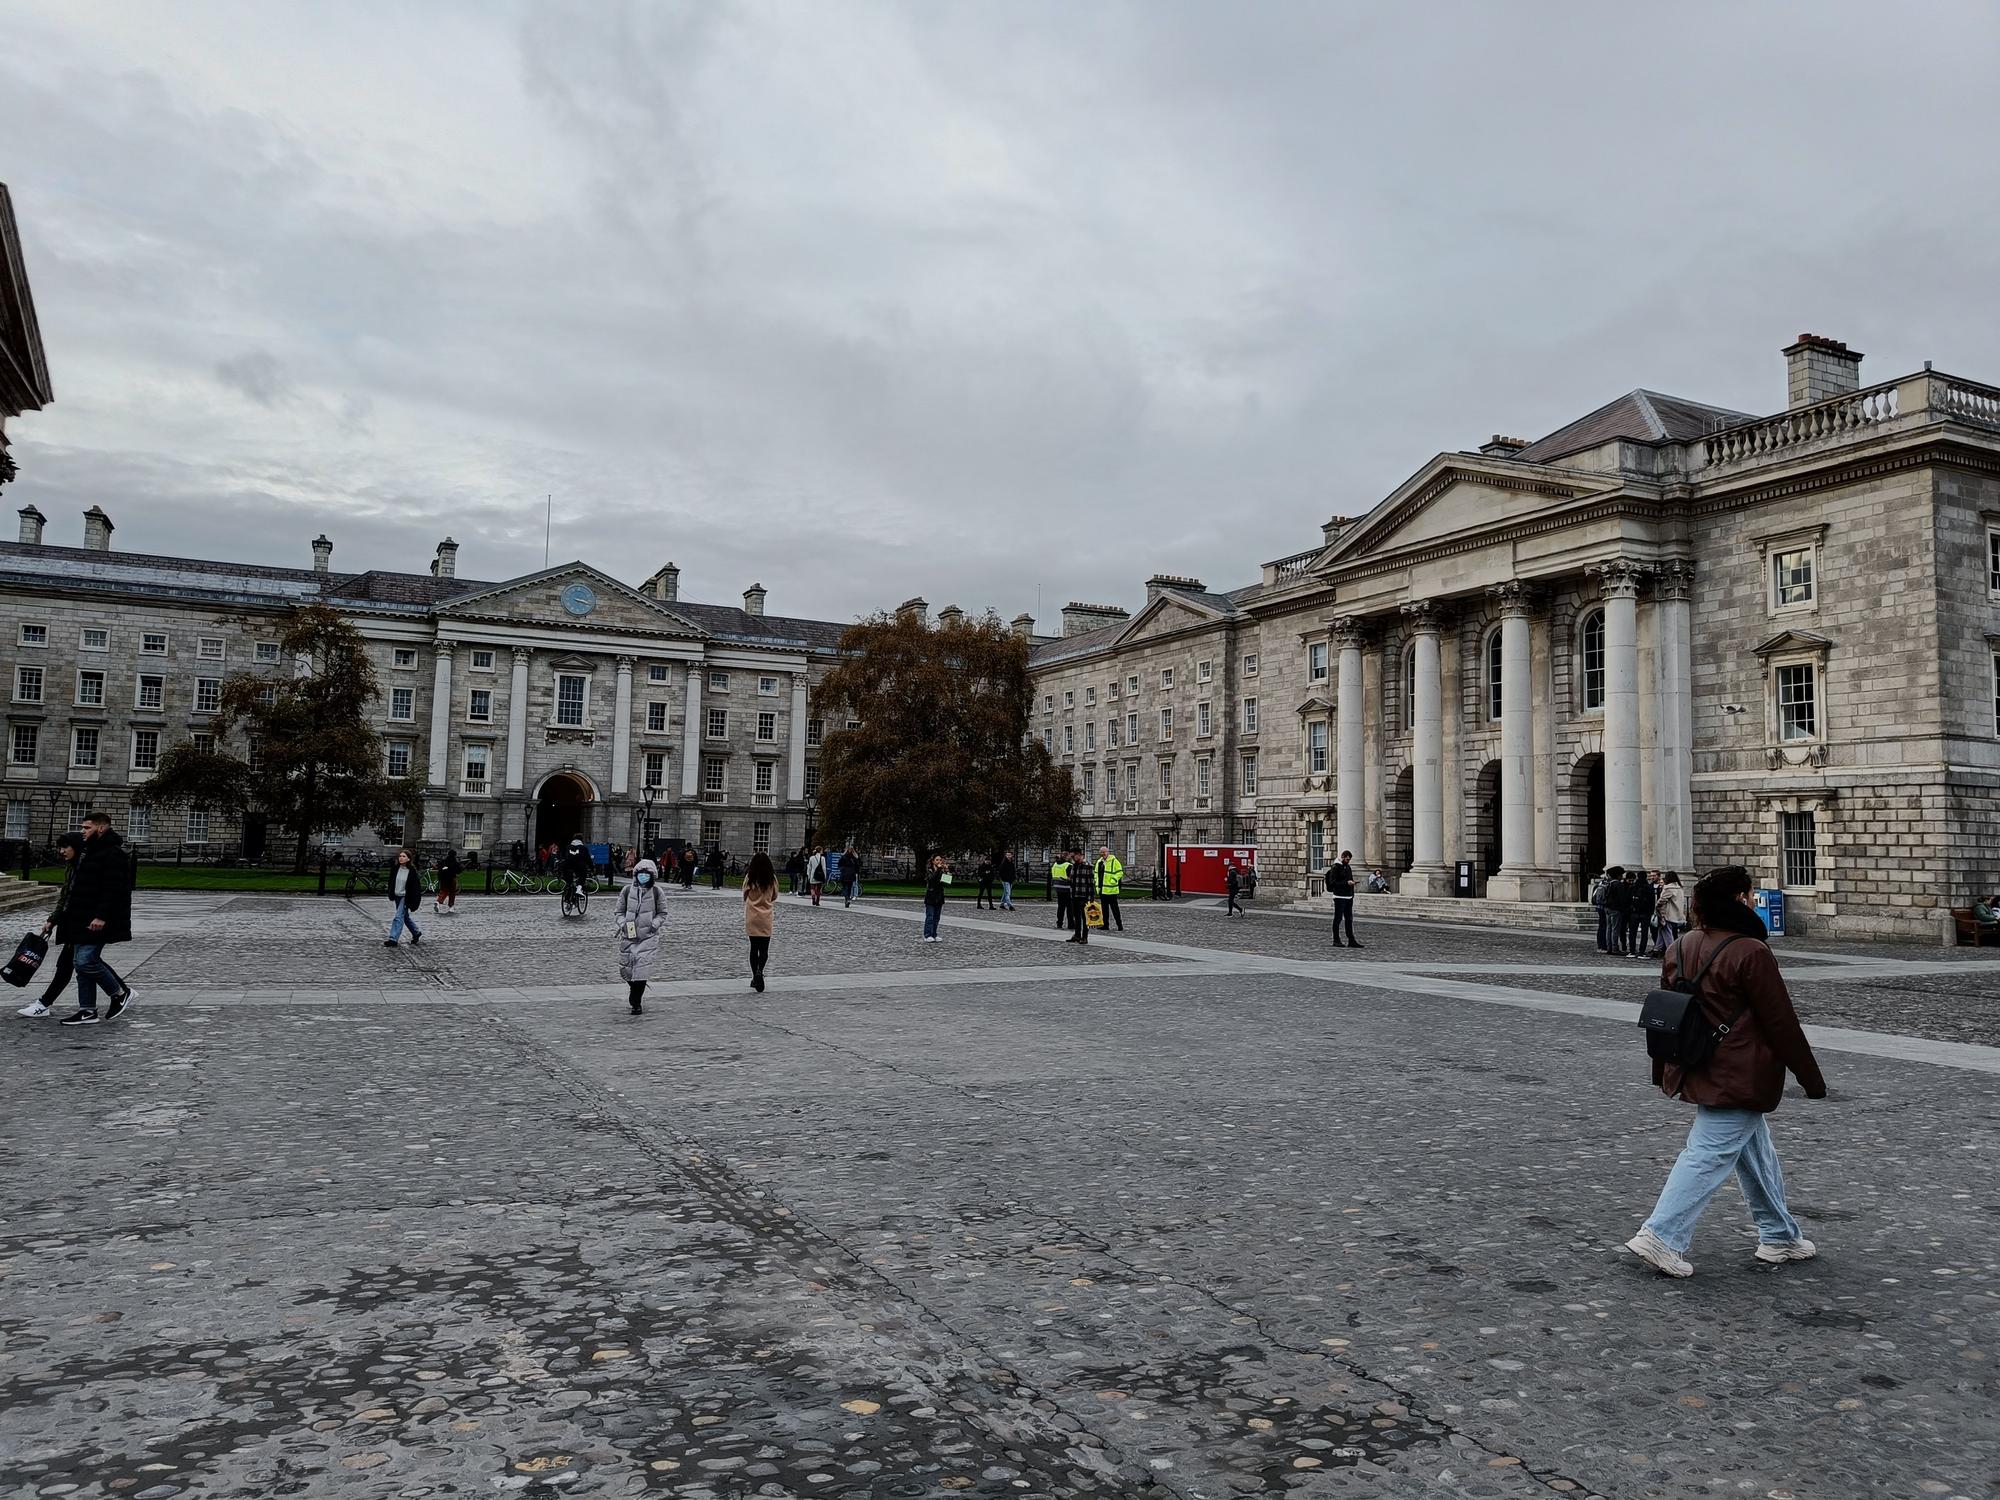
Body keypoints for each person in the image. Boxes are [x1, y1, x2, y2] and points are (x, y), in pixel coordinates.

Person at [1625, 864, 1827, 1279]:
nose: (1753, 901)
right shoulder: (1751, 951)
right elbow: (1780, 1021)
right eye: (1749, 894)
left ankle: (1780, 1236)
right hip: (1740, 1069)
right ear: (1738, 899)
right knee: (1707, 1152)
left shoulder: (1681, 945)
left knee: (1754, 1151)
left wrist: (1663, 1068)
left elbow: (1669, 1014)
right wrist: (1811, 1079)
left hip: (1698, 1061)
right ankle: (1661, 1235)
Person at [16, 830, 83, 1019]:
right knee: (84, 963)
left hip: (80, 924)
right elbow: (65, 898)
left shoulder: (83, 868)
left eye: (65, 847)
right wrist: (52, 920)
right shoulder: (72, 867)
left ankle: (44, 1003)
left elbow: (71, 899)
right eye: (59, 847)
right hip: (73, 923)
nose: (61, 851)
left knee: (75, 964)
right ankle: (121, 991)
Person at [613, 858, 667, 1014]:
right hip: (629, 934)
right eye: (641, 873)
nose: (643, 876)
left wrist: (653, 925)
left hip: (648, 936)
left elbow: (663, 913)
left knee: (642, 970)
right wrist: (623, 924)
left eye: (646, 874)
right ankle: (633, 991)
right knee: (627, 970)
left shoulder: (657, 892)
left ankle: (636, 1002)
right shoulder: (627, 891)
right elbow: (619, 911)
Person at [743, 851, 777, 990]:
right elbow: (775, 895)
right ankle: (760, 972)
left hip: (752, 915)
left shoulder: (750, 877)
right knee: (764, 949)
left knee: (753, 948)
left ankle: (754, 976)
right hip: (766, 916)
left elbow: (744, 894)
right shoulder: (772, 878)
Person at [383, 846, 425, 948]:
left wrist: (412, 901)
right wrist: (391, 893)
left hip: (405, 897)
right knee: (404, 917)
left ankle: (393, 939)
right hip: (397, 895)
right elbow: (391, 882)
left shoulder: (412, 872)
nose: (401, 858)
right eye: (400, 856)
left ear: (408, 859)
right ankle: (416, 932)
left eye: (403, 856)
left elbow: (415, 888)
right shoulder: (395, 869)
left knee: (398, 917)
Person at [1327, 848, 1361, 949]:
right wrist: (1346, 883)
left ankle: (1351, 939)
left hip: (1348, 896)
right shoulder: (1335, 867)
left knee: (1349, 919)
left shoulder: (1348, 867)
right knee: (1338, 918)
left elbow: (1349, 879)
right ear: (1342, 857)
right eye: (1346, 859)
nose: (1348, 861)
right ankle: (1336, 939)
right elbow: (1333, 882)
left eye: (1349, 859)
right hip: (1339, 896)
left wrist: (1352, 885)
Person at [1094, 844, 1125, 932]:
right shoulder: (1099, 862)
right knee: (1104, 909)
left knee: (1115, 909)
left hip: (1111, 890)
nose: (1102, 854)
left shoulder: (1114, 861)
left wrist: (1113, 880)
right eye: (1101, 852)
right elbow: (1096, 874)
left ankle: (1119, 925)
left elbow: (1120, 872)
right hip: (1102, 890)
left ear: (1108, 852)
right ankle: (1105, 925)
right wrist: (1097, 884)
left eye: (1104, 852)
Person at [921, 854, 951, 941]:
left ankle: (934, 934)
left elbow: (947, 882)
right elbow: (932, 879)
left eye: (940, 860)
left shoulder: (941, 871)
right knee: (930, 916)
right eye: (937, 860)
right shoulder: (929, 870)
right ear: (933, 861)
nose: (939, 862)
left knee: (936, 917)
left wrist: (947, 871)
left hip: (939, 895)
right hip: (931, 895)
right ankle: (927, 934)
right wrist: (938, 870)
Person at [1655, 871, 1688, 949]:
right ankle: (1657, 948)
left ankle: (1671, 950)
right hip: (1677, 914)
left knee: (1667, 932)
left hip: (1667, 914)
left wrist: (1657, 906)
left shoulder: (1668, 888)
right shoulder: (1679, 888)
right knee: (1662, 930)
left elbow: (1662, 900)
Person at [559, 838, 594, 910]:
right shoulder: (584, 848)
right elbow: (588, 859)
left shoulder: (568, 847)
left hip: (567, 866)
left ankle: (567, 900)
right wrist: (592, 868)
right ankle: (579, 888)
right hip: (579, 866)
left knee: (569, 883)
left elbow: (562, 856)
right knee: (582, 876)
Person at [1066, 854, 1093, 944]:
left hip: (1083, 895)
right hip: (1074, 894)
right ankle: (1077, 935)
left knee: (1085, 917)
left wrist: (1090, 897)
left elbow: (1090, 883)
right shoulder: (1074, 866)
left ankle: (1084, 936)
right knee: (1076, 916)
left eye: (1074, 856)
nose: (1072, 858)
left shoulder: (1087, 866)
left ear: (1080, 855)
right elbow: (1073, 879)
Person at [434, 847, 462, 915]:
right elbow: (459, 870)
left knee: (443, 891)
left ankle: (438, 901)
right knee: (452, 892)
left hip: (442, 878)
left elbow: (437, 866)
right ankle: (451, 906)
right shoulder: (454, 862)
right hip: (451, 879)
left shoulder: (444, 861)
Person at [1051, 851, 1071, 930]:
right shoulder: (1068, 865)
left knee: (1061, 907)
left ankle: (1059, 923)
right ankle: (1071, 924)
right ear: (1067, 857)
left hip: (1058, 888)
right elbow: (1071, 877)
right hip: (1067, 888)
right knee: (1070, 907)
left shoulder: (1055, 865)